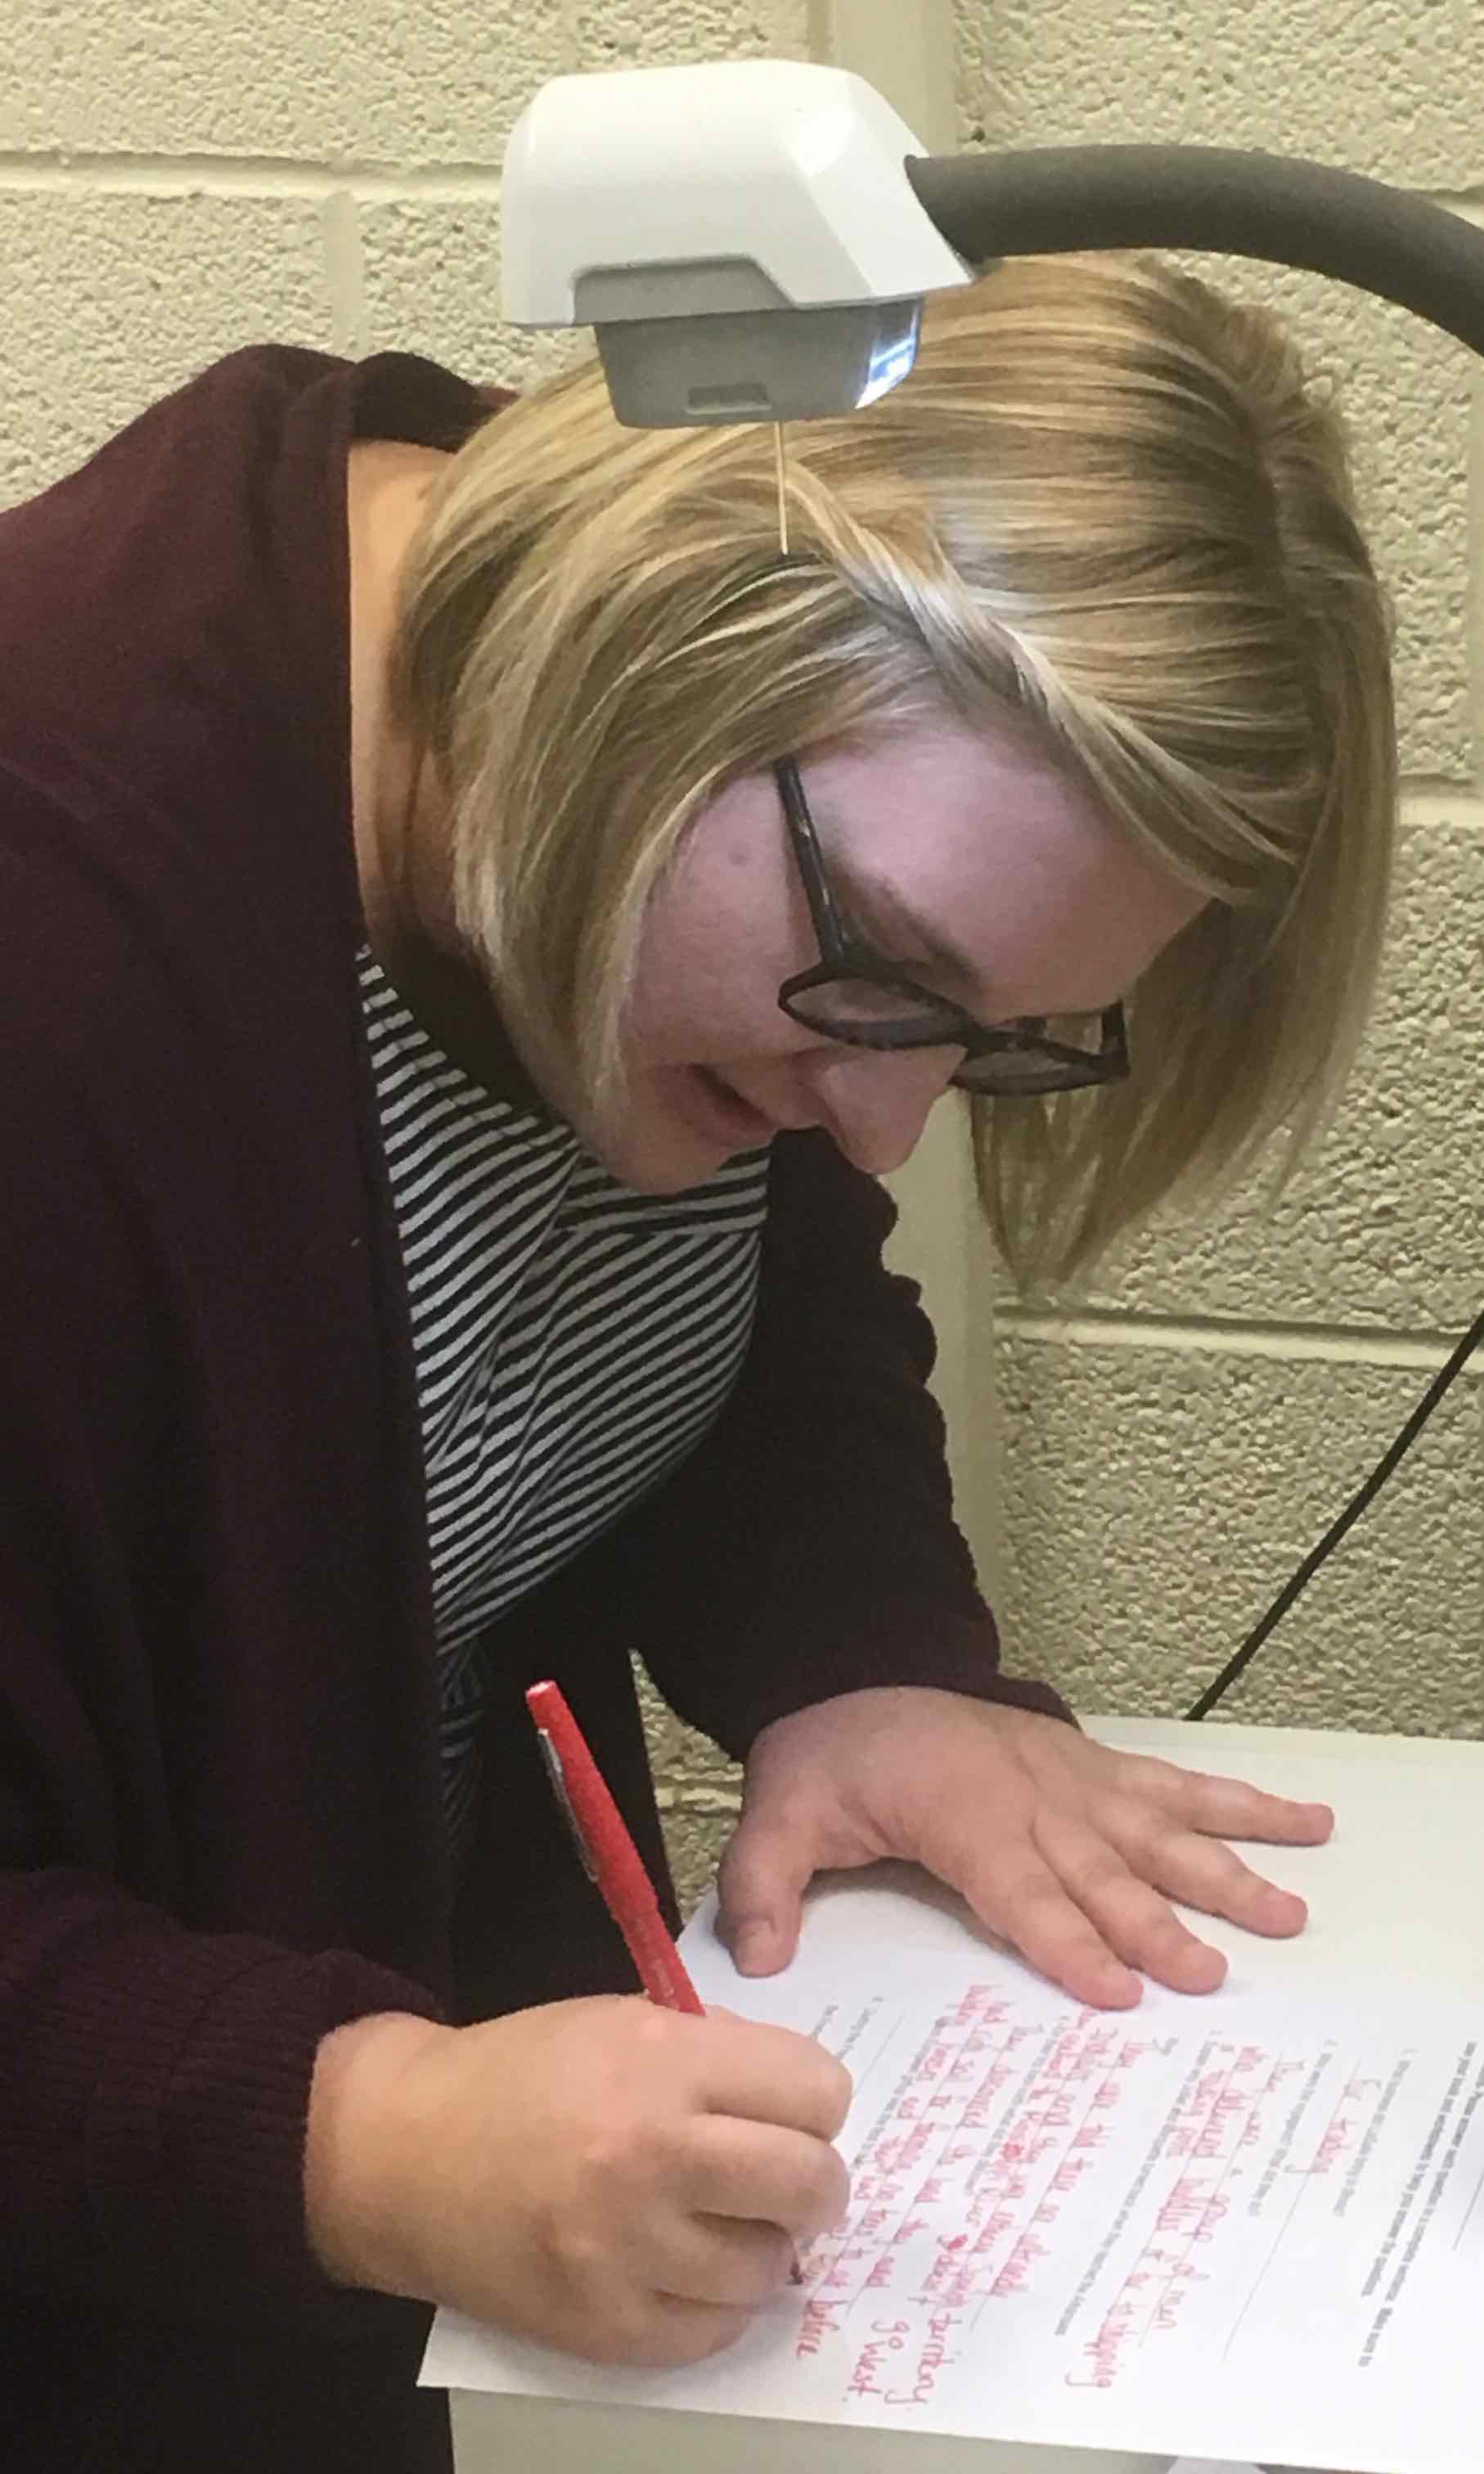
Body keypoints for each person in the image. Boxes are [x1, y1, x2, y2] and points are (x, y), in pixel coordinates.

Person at [0, 249, 1397, 2470]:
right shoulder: (64, 941)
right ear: (660, 676)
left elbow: (727, 1271)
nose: (883, 1126)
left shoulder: (614, 796)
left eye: (992, 1042)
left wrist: (863, 1659)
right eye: (889, 987)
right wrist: (357, 2134)